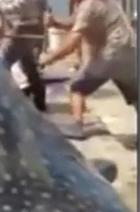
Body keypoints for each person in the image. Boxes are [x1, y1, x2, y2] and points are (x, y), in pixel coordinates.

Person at [41, 0, 137, 128]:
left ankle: (77, 126)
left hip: (111, 54)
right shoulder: (104, 3)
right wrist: (55, 23)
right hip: (131, 52)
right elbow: (76, 23)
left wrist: (49, 59)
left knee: (77, 87)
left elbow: (72, 42)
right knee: (137, 96)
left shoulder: (88, 5)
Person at [0, 0, 48, 112]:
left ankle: (4, 98)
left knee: (2, 62)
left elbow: (20, 5)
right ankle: (39, 97)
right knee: (27, 62)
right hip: (33, 26)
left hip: (25, 26)